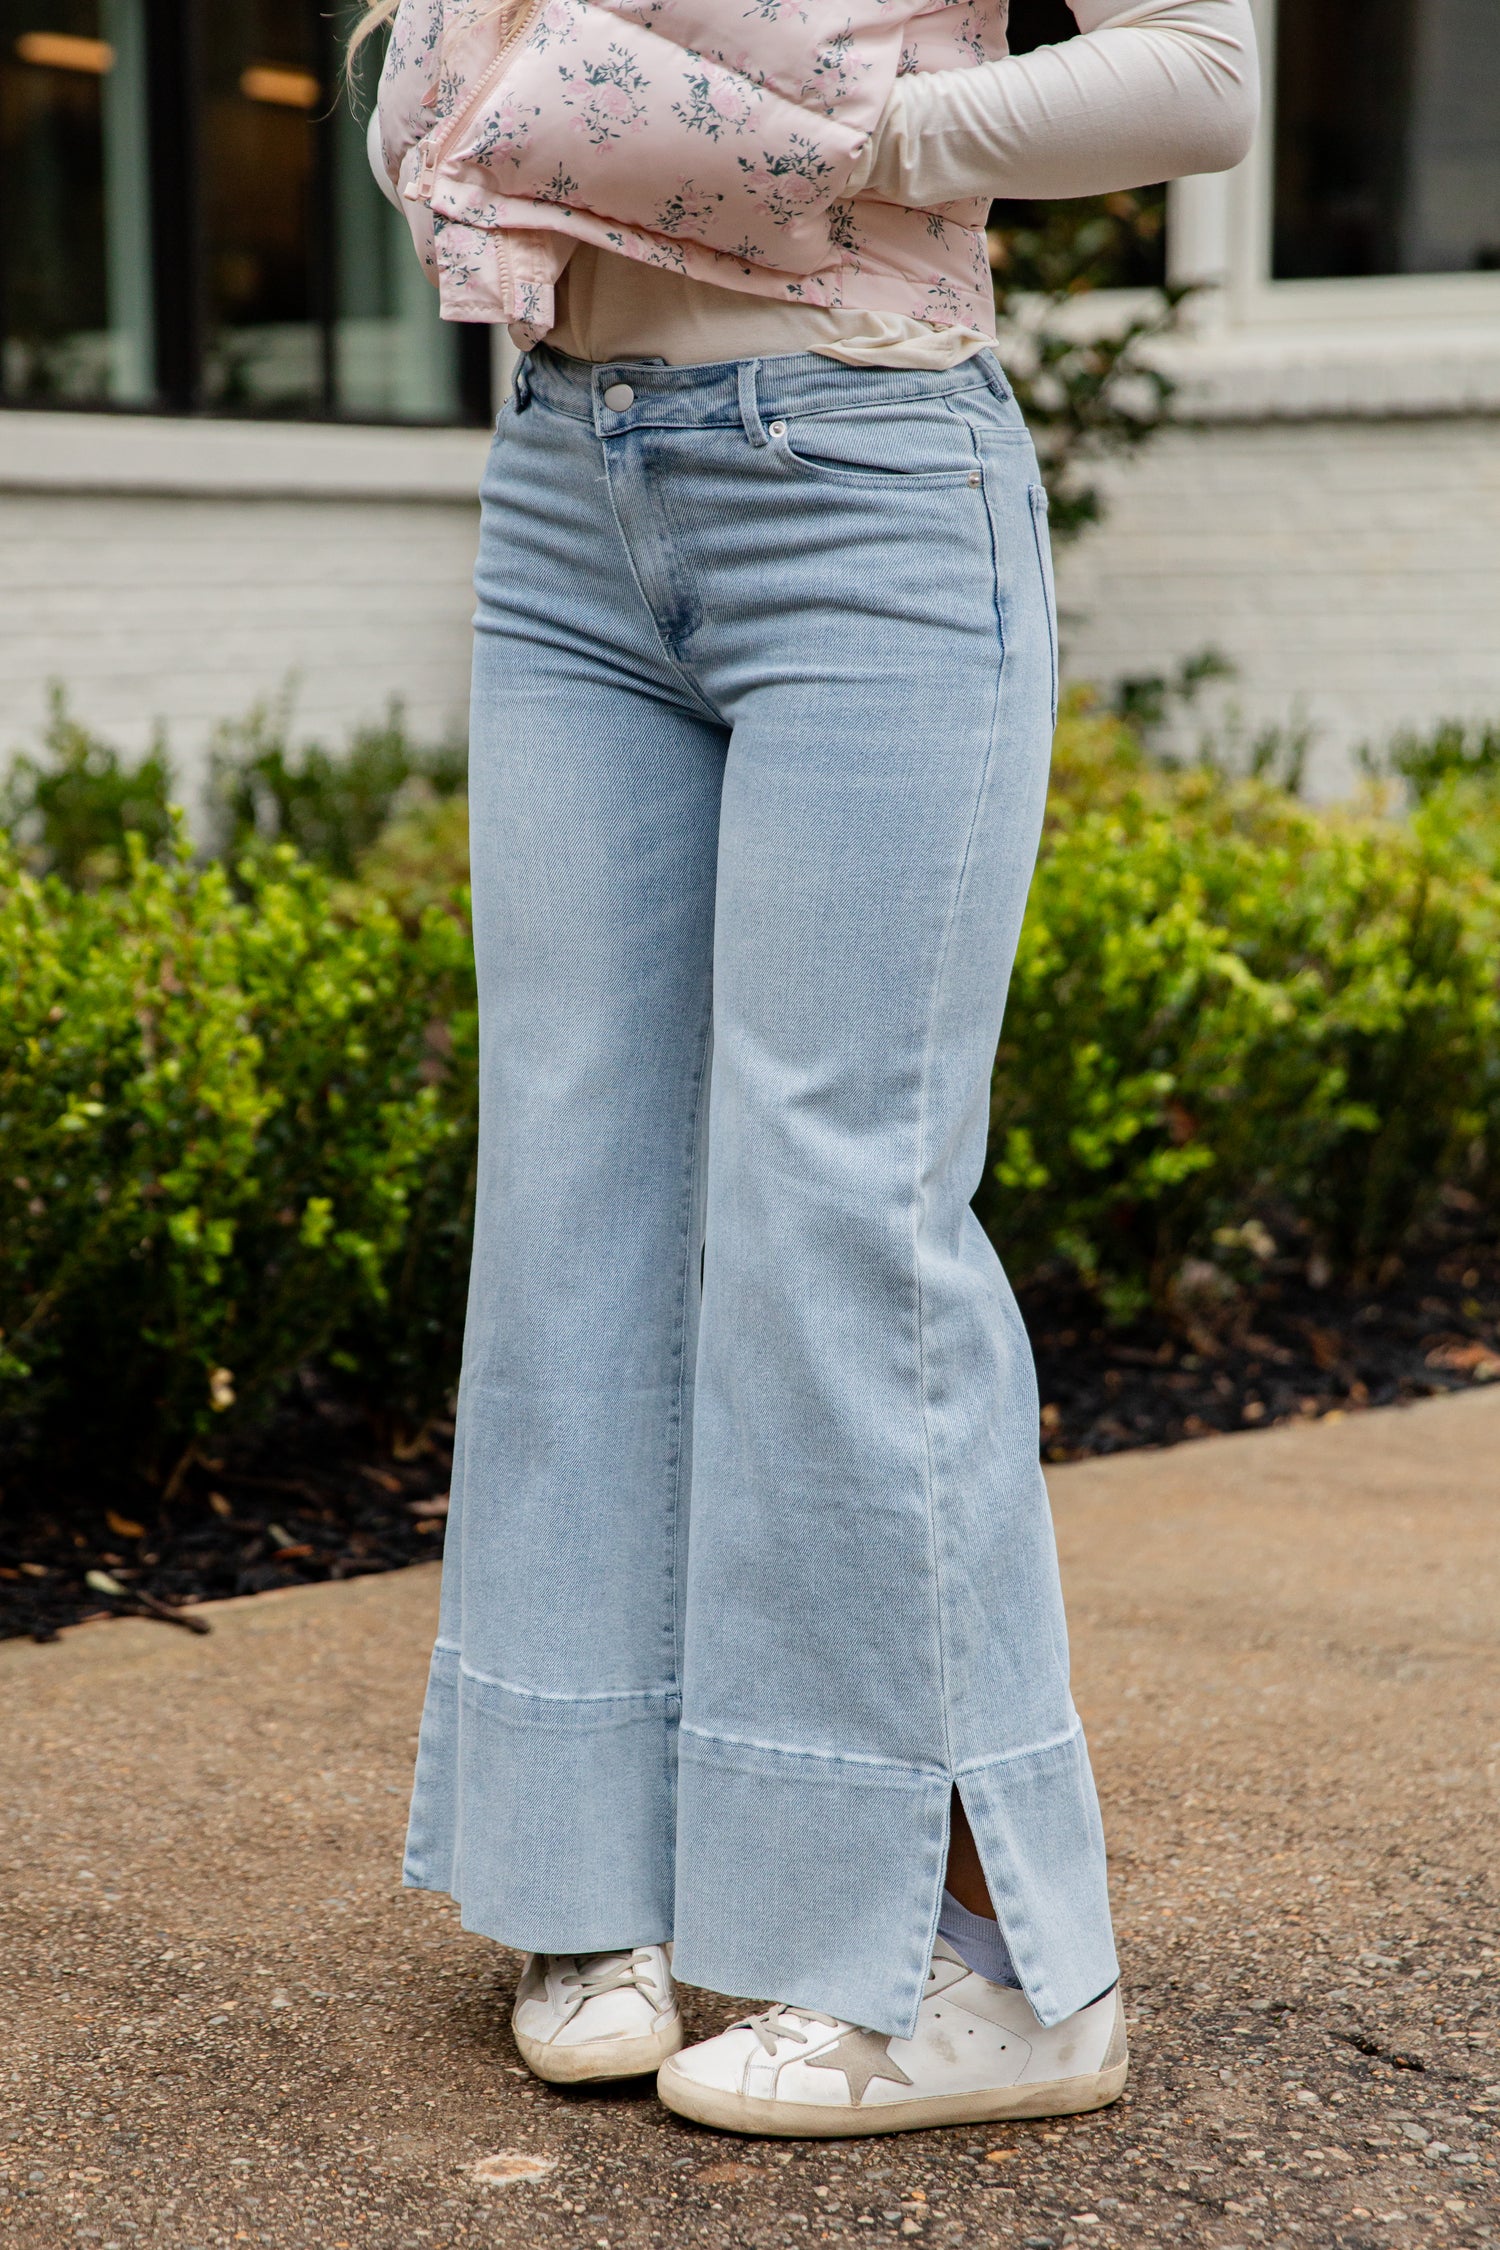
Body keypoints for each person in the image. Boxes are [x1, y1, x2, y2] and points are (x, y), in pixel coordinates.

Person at [362, 0, 1258, 2137]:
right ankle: (608, 1882)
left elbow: (1203, 81)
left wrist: (841, 143)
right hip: (569, 484)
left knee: (835, 1206)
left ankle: (1002, 1965)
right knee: (575, 1186)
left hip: (862, 471)